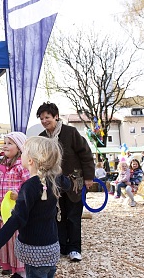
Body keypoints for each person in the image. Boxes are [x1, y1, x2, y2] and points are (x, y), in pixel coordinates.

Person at [0, 136, 63, 278]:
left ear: (30, 160)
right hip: (51, 247)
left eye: (24, 151)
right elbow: (68, 183)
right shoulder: (55, 180)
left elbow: (17, 218)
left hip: (34, 250)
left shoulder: (29, 187)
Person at [37, 102, 94, 262]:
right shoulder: (42, 138)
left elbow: (86, 154)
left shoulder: (70, 132)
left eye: (47, 117)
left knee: (73, 215)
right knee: (57, 216)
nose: (44, 121)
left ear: (56, 116)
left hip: (74, 182)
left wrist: (89, 177)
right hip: (53, 183)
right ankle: (61, 246)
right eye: (41, 118)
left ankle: (75, 248)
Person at [0, 132, 30, 278]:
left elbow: (30, 186)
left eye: (9, 143)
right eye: (5, 142)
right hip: (4, 213)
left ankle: (23, 272)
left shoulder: (22, 166)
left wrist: (20, 196)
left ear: (19, 147)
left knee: (18, 243)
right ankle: (16, 271)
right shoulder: (3, 167)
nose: (5, 146)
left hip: (17, 214)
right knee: (9, 244)